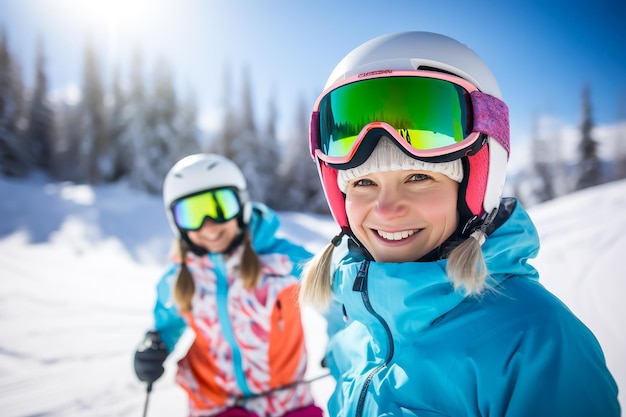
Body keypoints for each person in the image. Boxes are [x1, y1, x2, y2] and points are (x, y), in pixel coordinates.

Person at [299, 31, 620, 416]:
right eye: (364, 183)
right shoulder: (357, 328)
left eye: (419, 178)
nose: (385, 210)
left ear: (473, 188)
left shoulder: (536, 343)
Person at [133, 153, 324, 417]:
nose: (209, 226)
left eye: (220, 206)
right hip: (215, 407)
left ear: (242, 204)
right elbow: (166, 325)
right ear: (176, 222)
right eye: (192, 214)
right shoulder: (178, 278)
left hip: (288, 402)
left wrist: (341, 343)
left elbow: (336, 301)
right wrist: (155, 346)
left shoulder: (284, 261)